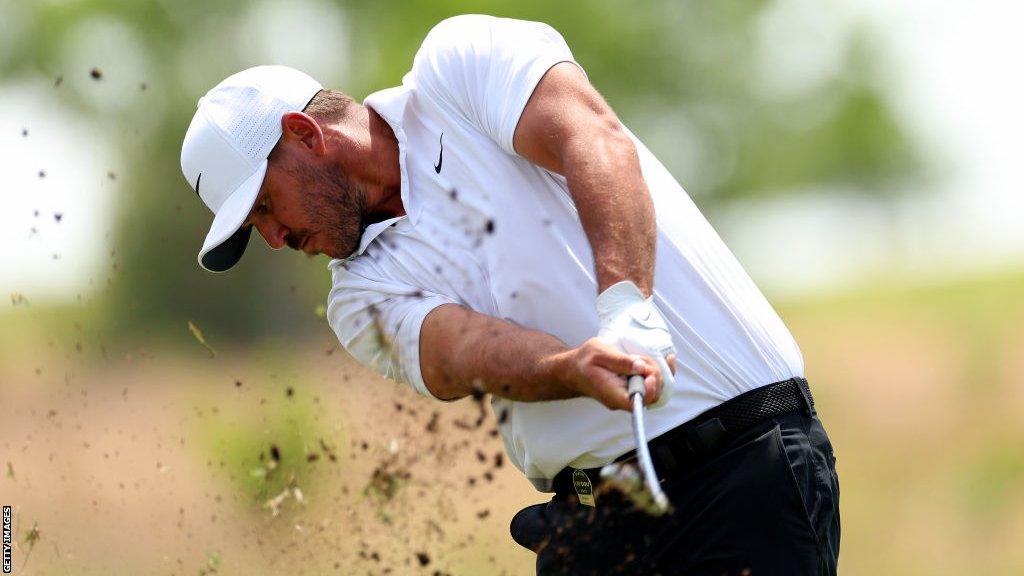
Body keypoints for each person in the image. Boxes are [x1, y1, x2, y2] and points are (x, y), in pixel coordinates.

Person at [180, 14, 840, 575]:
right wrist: (571, 368)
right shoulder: (357, 296)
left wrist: (626, 303)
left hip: (741, 470)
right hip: (589, 528)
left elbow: (590, 136)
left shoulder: (456, 70)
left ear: (305, 134)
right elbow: (458, 350)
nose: (273, 238)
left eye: (265, 206)